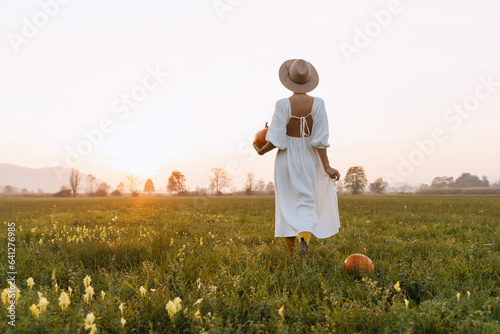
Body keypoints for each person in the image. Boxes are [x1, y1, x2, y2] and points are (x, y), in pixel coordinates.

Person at [254, 59, 341, 255]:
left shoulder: (282, 104)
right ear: (309, 80)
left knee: (286, 203)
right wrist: (326, 166)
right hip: (310, 158)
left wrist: (261, 151)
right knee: (306, 203)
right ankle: (304, 240)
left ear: (289, 80)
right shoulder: (318, 104)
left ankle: (293, 253)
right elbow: (320, 140)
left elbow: (276, 139)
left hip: (286, 159)